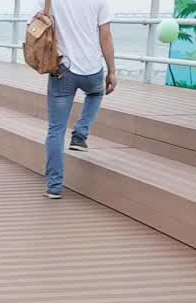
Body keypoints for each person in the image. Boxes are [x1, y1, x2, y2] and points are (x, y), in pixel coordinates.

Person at [32, 0, 116, 200]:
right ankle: (80, 134)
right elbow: (105, 36)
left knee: (56, 130)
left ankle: (54, 187)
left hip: (62, 68)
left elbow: (35, 25)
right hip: (93, 69)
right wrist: (112, 71)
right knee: (96, 93)